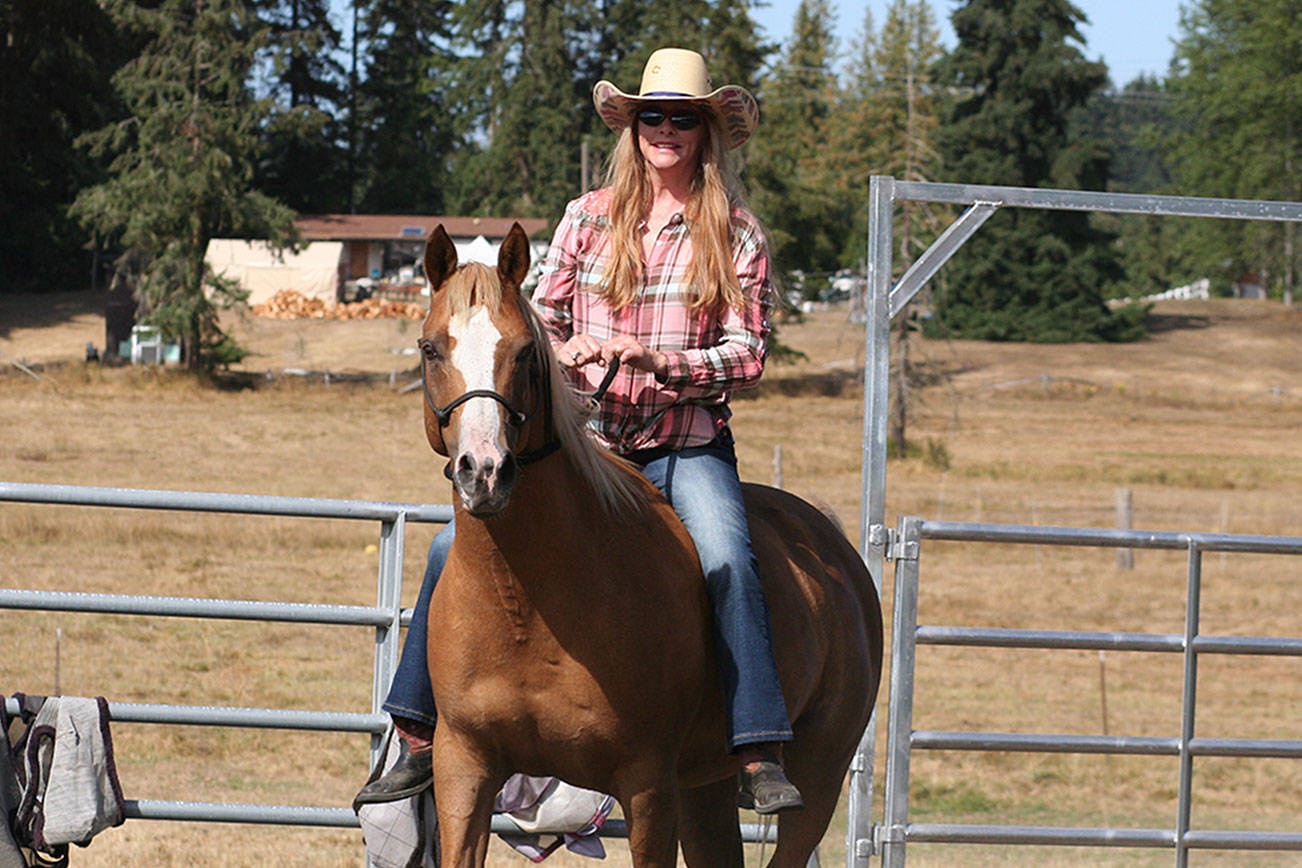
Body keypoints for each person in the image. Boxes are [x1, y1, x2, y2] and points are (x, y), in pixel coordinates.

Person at [354, 46, 802, 815]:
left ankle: (756, 744)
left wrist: (657, 359)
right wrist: (570, 350)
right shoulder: (588, 219)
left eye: (682, 119)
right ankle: (417, 732)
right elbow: (537, 320)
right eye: (651, 116)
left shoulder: (735, 231)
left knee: (728, 554)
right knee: (442, 545)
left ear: (705, 132)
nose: (664, 130)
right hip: (589, 447)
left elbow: (748, 355)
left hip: (683, 444)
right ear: (631, 129)